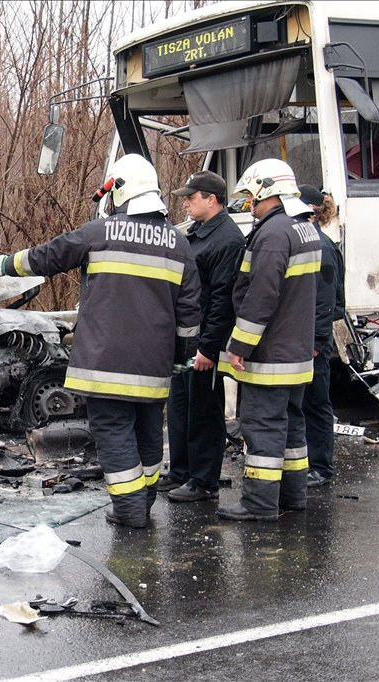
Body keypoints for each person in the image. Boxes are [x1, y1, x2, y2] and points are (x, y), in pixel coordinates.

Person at [0, 154, 201, 528]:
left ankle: (130, 511)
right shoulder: (179, 245)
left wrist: (7, 264)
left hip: (105, 363)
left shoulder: (101, 233)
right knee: (147, 432)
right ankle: (142, 502)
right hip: (154, 365)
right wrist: (182, 357)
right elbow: (190, 312)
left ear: (120, 190)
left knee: (114, 431)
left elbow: (50, 256)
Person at [216, 159, 320, 522]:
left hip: (270, 354)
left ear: (268, 190)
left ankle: (259, 504)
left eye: (252, 198)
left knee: (262, 425)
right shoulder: (305, 227)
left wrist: (239, 346)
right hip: (295, 350)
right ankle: (293, 497)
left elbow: (261, 297)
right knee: (292, 425)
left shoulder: (274, 234)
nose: (250, 205)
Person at [162, 171, 245, 502]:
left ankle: (204, 481)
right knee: (180, 408)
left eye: (191, 197)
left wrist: (209, 349)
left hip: (205, 342)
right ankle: (180, 471)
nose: (185, 202)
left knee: (204, 414)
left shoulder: (227, 240)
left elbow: (224, 299)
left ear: (212, 199)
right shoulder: (196, 233)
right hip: (185, 337)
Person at [297, 184, 346, 487]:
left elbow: (326, 302)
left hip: (314, 341)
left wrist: (315, 342)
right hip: (307, 337)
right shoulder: (314, 242)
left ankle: (321, 467)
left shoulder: (322, 247)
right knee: (307, 403)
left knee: (315, 403)